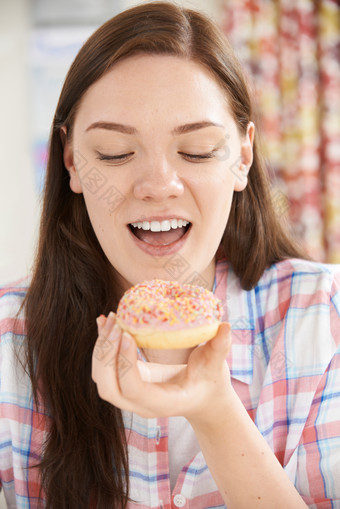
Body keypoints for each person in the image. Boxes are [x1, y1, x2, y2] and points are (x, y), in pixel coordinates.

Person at [0, 2, 339, 508]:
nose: (159, 186)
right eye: (115, 152)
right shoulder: (9, 336)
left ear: (242, 157)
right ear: (72, 162)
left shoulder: (324, 316)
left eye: (197, 150)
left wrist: (216, 412)